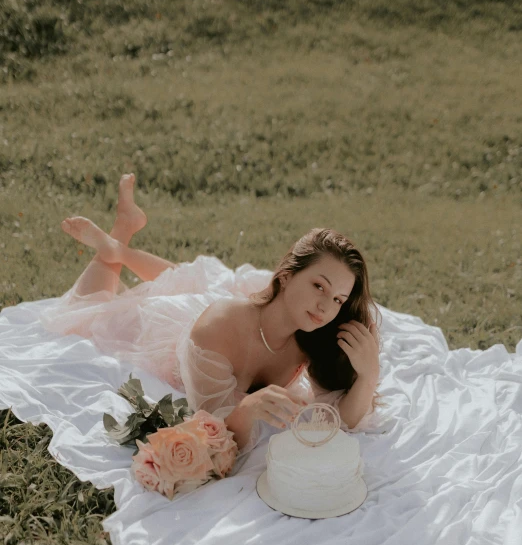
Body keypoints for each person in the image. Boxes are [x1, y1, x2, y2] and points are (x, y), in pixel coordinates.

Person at [43, 173, 384, 457]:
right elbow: (215, 431)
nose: (327, 307)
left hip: (229, 314)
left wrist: (368, 376)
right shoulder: (218, 328)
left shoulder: (317, 336)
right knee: (91, 314)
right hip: (179, 334)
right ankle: (118, 235)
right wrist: (248, 410)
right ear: (286, 274)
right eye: (318, 286)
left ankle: (119, 244)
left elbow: (341, 420)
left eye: (338, 298)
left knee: (184, 281)